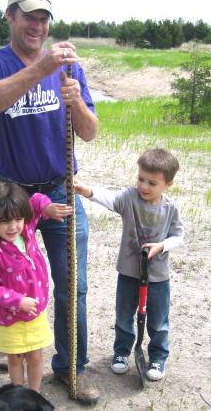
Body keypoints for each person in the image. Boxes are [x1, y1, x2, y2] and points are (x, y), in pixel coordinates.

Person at [0, 0, 99, 403]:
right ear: (10, 16)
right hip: (10, 197)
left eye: (44, 18)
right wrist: (39, 70)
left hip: (59, 190)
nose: (38, 26)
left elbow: (90, 133)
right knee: (9, 278)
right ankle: (16, 345)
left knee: (71, 284)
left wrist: (76, 103)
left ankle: (70, 369)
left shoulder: (70, 67)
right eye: (29, 17)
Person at [74, 148, 184, 381]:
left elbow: (178, 236)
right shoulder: (129, 198)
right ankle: (121, 353)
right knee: (124, 316)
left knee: (158, 319)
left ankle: (157, 357)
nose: (144, 186)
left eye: (152, 183)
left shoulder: (170, 208)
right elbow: (109, 198)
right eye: (141, 179)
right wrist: (87, 191)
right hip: (129, 272)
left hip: (158, 276)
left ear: (168, 184)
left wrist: (161, 246)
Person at [0, 181, 73, 392]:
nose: (13, 227)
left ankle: (34, 395)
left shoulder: (26, 229)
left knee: (36, 356)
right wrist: (17, 301)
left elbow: (36, 200)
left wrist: (46, 207)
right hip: (11, 317)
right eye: (4, 221)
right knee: (16, 357)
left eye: (18, 219)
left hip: (36, 311)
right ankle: (17, 396)